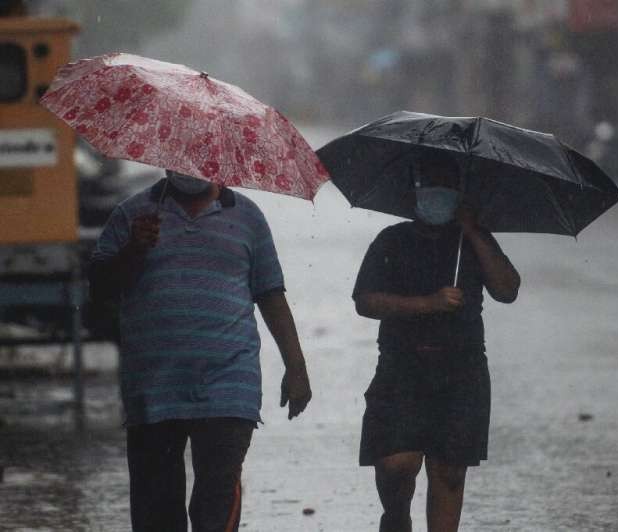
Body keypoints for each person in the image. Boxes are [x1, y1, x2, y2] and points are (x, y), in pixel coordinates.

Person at [89, 170, 312, 532]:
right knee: (156, 512)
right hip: (152, 387)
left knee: (216, 500)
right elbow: (98, 291)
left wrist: (297, 368)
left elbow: (270, 294)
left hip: (229, 384)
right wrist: (134, 249)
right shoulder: (132, 214)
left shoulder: (248, 216)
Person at [352, 152, 521, 532]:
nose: (437, 196)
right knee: (397, 464)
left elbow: (508, 289)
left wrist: (474, 231)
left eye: (446, 189)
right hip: (402, 369)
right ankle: (395, 517)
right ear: (414, 193)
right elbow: (365, 301)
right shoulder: (391, 241)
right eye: (430, 187)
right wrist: (427, 304)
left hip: (462, 373)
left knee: (449, 473)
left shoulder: (474, 242)